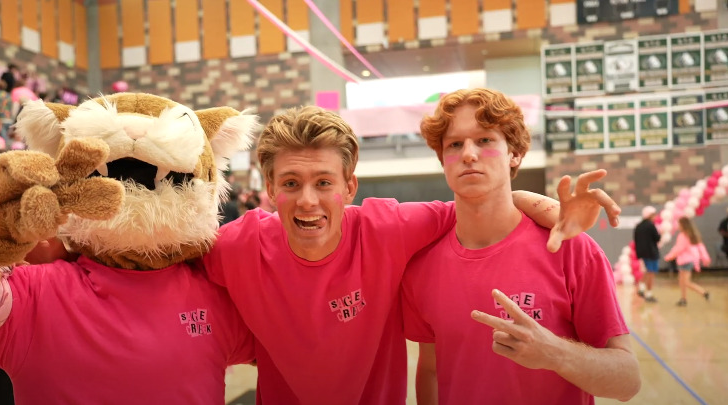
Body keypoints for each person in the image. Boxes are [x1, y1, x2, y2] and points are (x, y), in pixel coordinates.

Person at [202, 105, 622, 404]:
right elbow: (162, 255)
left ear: (349, 188)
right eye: (290, 183)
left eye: (324, 182)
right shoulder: (234, 245)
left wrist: (544, 207)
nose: (308, 200)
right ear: (270, 190)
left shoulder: (389, 229)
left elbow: (479, 205)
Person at [401, 88, 640, 404]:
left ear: (514, 153)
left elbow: (627, 381)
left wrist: (556, 353)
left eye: (485, 140)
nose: (468, 154)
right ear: (444, 160)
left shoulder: (571, 249)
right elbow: (430, 370)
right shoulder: (422, 266)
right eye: (455, 144)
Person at [665, 216, 711, 306]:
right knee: (681, 281)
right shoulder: (692, 235)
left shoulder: (683, 236)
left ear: (683, 225)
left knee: (686, 282)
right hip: (687, 260)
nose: (678, 226)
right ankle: (683, 299)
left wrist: (670, 256)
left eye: (679, 224)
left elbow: (679, 248)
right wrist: (705, 257)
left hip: (686, 261)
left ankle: (704, 293)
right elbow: (701, 247)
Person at [634, 206, 661, 302]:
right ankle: (649, 294)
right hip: (652, 253)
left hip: (643, 253)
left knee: (647, 271)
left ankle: (641, 288)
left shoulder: (638, 226)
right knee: (651, 273)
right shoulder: (651, 225)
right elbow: (657, 238)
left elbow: (636, 241)